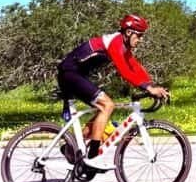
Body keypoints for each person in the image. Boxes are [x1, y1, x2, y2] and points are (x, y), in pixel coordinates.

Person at [57, 14, 169, 169]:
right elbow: (124, 71)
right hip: (69, 73)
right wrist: (148, 88)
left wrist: (151, 84)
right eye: (140, 35)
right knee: (107, 105)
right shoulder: (115, 43)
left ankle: (71, 147)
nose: (141, 40)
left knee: (102, 109)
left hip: (75, 74)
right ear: (129, 32)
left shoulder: (122, 45)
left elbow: (134, 66)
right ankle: (93, 156)